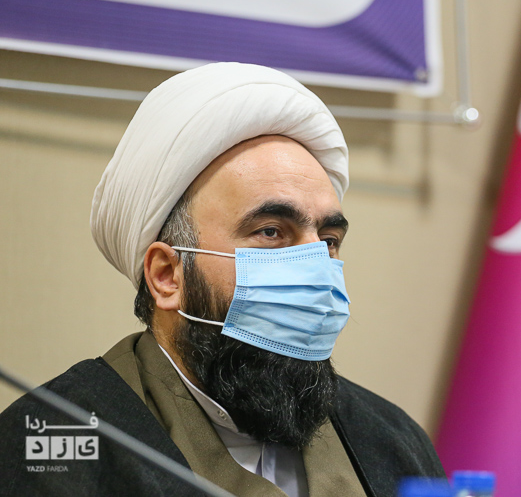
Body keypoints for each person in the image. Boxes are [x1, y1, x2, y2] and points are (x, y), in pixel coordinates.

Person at [0, 63, 444, 496]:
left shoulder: (393, 440)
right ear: (167, 275)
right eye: (271, 232)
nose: (315, 266)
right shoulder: (53, 447)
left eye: (328, 240)